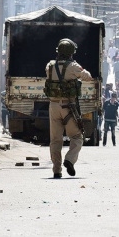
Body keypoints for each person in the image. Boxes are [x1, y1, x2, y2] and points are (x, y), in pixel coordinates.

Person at [45, 38, 93, 179]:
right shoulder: (73, 66)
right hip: (69, 107)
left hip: (53, 106)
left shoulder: (50, 65)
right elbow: (88, 77)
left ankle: (56, 170)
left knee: (55, 140)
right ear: (71, 53)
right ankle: (69, 160)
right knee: (77, 136)